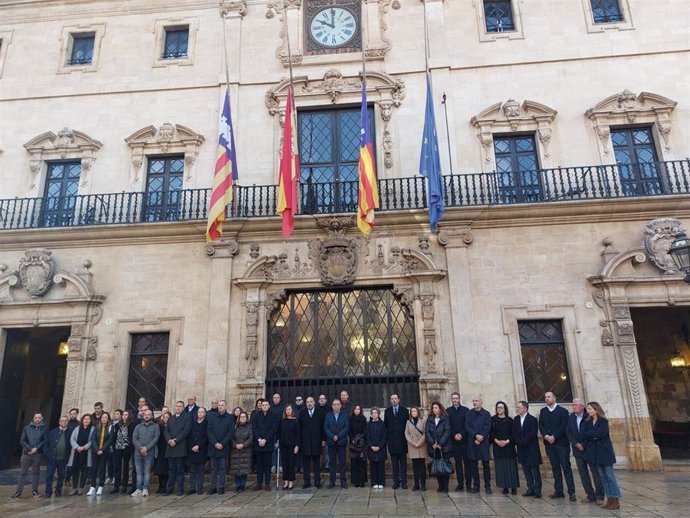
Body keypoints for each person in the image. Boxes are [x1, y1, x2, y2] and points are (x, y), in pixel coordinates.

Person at [582, 402, 621, 510]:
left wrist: (592, 435)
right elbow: (584, 434)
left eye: (590, 409)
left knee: (609, 476)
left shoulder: (603, 421)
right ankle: (609, 499)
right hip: (595, 453)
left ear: (596, 409)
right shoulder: (587, 422)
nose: (588, 411)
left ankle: (615, 499)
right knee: (602, 477)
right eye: (587, 409)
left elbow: (601, 433)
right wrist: (593, 435)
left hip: (605, 452)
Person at [539, 391, 576, 501]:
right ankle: (558, 491)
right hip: (549, 444)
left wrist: (554, 436)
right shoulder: (543, 411)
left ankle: (571, 492)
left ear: (554, 398)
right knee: (555, 467)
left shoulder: (563, 411)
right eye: (545, 397)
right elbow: (541, 425)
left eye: (549, 397)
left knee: (566, 467)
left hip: (561, 444)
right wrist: (546, 435)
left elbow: (564, 426)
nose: (547, 399)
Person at [567, 398, 604, 504]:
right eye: (573, 405)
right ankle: (590, 495)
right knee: (583, 473)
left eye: (576, 405)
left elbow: (591, 431)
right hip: (577, 449)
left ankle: (599, 496)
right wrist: (576, 444)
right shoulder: (571, 417)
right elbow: (568, 432)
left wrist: (583, 444)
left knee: (595, 472)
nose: (574, 407)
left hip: (589, 448)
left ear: (582, 406)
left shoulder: (588, 417)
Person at [11, 412, 47, 499]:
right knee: (23, 472)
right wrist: (30, 448)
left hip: (37, 454)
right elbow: (22, 440)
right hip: (27, 453)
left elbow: (44, 440)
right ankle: (18, 492)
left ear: (41, 419)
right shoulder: (27, 428)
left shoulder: (44, 429)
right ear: (33, 418)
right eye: (35, 417)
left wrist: (36, 448)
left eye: (39, 417)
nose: (37, 419)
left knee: (36, 472)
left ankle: (35, 491)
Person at [513, 401, 542, 498]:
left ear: (525, 408)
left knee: (534, 469)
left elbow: (532, 433)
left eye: (519, 407)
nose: (517, 409)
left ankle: (538, 490)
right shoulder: (516, 419)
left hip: (531, 448)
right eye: (517, 407)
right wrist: (518, 441)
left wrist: (523, 441)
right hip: (521, 448)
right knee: (526, 469)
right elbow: (515, 432)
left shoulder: (532, 419)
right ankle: (530, 488)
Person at [466, 395, 492, 494]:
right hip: (472, 442)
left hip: (483, 442)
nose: (475, 403)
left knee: (486, 465)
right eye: (473, 401)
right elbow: (467, 426)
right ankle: (476, 486)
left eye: (476, 401)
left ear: (481, 402)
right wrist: (475, 435)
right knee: (473, 465)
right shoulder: (469, 413)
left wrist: (481, 436)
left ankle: (487, 486)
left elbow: (487, 426)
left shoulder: (486, 414)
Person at [491, 401, 519, 495]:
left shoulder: (510, 420)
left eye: (501, 407)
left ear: (505, 409)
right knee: (501, 467)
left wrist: (507, 441)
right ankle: (505, 487)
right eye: (498, 407)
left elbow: (514, 433)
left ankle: (513, 487)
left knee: (511, 467)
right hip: (498, 447)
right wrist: (497, 441)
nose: (499, 409)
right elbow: (491, 433)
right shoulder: (493, 420)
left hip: (509, 447)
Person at [297, 396, 325, 489]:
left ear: (314, 402)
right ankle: (307, 481)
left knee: (317, 464)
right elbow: (299, 429)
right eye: (308, 402)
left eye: (311, 401)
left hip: (317, 442)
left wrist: (323, 439)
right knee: (306, 465)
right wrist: (299, 443)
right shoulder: (302, 413)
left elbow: (322, 427)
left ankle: (317, 481)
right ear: (306, 403)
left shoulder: (320, 412)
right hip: (305, 443)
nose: (309, 403)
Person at [165, 401, 191, 496]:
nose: (178, 408)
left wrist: (175, 440)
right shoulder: (171, 418)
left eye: (180, 406)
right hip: (170, 448)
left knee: (180, 470)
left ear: (183, 408)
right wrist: (169, 440)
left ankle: (180, 489)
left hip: (180, 448)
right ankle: (169, 489)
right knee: (171, 470)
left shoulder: (187, 418)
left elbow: (186, 431)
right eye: (177, 406)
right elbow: (166, 431)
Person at [207, 400, 234, 494]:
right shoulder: (212, 416)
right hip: (213, 446)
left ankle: (222, 487)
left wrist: (222, 443)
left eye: (222, 405)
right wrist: (215, 443)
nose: (220, 407)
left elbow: (230, 432)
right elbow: (209, 431)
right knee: (213, 468)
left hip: (224, 446)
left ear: (226, 406)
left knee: (222, 468)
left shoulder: (230, 418)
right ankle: (213, 487)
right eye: (219, 405)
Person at [132, 408, 160, 497]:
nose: (147, 416)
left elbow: (156, 438)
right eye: (145, 415)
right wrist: (141, 448)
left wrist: (146, 448)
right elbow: (134, 438)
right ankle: (138, 488)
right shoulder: (138, 427)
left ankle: (145, 488)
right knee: (139, 471)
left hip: (149, 453)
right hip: (138, 452)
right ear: (143, 416)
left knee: (147, 471)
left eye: (149, 414)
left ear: (151, 416)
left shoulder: (155, 426)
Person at [425, 402, 452, 493]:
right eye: (433, 408)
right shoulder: (430, 419)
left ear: (440, 409)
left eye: (436, 408)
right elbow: (427, 432)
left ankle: (446, 487)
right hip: (434, 448)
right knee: (437, 466)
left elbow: (447, 431)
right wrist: (432, 443)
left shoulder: (445, 419)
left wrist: (441, 443)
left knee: (444, 466)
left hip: (444, 447)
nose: (434, 409)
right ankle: (440, 486)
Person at [384, 394, 409, 489]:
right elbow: (386, 426)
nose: (394, 400)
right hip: (392, 441)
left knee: (403, 463)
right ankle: (396, 481)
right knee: (394, 464)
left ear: (398, 400)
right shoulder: (387, 411)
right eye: (392, 399)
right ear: (390, 400)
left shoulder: (404, 411)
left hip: (402, 440)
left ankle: (404, 481)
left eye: (395, 399)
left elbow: (407, 425)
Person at [447, 392, 471, 492]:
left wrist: (461, 434)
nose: (455, 400)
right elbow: (448, 425)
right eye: (453, 398)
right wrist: (454, 435)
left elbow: (468, 424)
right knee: (458, 463)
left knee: (467, 463)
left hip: (465, 441)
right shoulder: (448, 411)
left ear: (459, 399)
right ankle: (460, 484)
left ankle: (469, 484)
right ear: (451, 400)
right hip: (455, 442)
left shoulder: (466, 410)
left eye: (456, 398)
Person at [66, 414, 95, 496]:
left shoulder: (93, 429)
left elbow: (92, 440)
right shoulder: (77, 428)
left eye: (88, 419)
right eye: (85, 419)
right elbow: (72, 439)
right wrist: (77, 447)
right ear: (82, 420)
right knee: (75, 470)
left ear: (90, 420)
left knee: (84, 471)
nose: (86, 420)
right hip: (76, 452)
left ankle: (81, 488)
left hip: (86, 452)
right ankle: (75, 488)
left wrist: (85, 447)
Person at [252, 399, 278, 491]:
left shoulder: (273, 416)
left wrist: (265, 439)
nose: (264, 406)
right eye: (263, 405)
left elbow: (273, 428)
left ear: (269, 406)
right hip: (258, 443)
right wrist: (259, 439)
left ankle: (267, 483)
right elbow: (254, 428)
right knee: (259, 465)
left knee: (267, 465)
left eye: (266, 405)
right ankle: (259, 483)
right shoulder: (256, 415)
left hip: (268, 443)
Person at [43, 416, 71, 498]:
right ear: (59, 422)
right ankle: (48, 492)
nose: (64, 422)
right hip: (52, 458)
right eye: (62, 421)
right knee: (49, 476)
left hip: (63, 458)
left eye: (66, 420)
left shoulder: (70, 432)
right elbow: (46, 442)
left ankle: (58, 491)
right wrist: (46, 452)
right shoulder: (53, 432)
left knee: (61, 476)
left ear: (67, 422)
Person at [324, 398, 349, 489]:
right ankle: (332, 481)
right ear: (332, 406)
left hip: (341, 442)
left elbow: (346, 427)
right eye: (334, 404)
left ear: (340, 406)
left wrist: (338, 436)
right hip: (331, 443)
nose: (336, 406)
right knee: (332, 463)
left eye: (337, 404)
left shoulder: (344, 415)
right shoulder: (328, 415)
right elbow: (326, 428)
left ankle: (343, 481)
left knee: (342, 463)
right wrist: (332, 436)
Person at [87, 411, 113, 496]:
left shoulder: (110, 427)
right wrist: (97, 449)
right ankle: (93, 486)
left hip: (104, 451)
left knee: (102, 469)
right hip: (95, 451)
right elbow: (93, 439)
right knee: (94, 469)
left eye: (105, 417)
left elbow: (110, 440)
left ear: (108, 419)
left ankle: (101, 486)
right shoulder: (96, 427)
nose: (104, 419)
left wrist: (102, 449)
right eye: (102, 417)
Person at [111, 410, 135, 495]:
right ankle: (116, 486)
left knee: (125, 467)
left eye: (126, 415)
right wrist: (113, 445)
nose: (125, 416)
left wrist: (127, 444)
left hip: (127, 448)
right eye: (123, 415)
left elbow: (131, 436)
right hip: (118, 447)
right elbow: (114, 436)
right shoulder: (117, 425)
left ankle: (124, 485)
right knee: (117, 467)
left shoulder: (131, 425)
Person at [187, 406, 208, 495]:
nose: (200, 414)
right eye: (199, 412)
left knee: (200, 470)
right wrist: (192, 446)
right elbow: (189, 435)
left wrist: (198, 446)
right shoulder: (193, 423)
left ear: (205, 414)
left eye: (202, 412)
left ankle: (200, 488)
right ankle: (192, 488)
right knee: (193, 470)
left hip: (201, 450)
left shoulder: (207, 424)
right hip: (192, 450)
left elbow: (206, 437)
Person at [230, 411, 253, 493]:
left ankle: (242, 485)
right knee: (236, 469)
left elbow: (251, 437)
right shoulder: (235, 427)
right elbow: (231, 437)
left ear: (246, 418)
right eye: (241, 417)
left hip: (245, 450)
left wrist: (243, 445)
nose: (242, 418)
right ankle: (237, 486)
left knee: (244, 469)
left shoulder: (249, 427)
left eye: (244, 417)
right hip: (235, 450)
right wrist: (235, 445)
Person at [405, 406, 427, 491]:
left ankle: (423, 484)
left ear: (418, 412)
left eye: (414, 411)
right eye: (412, 411)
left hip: (421, 445)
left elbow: (425, 433)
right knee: (415, 466)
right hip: (413, 446)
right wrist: (412, 442)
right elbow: (406, 433)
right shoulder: (408, 422)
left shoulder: (423, 420)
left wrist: (419, 443)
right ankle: (416, 484)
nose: (413, 413)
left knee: (422, 466)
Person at [279, 404, 300, 490]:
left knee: (291, 464)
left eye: (290, 409)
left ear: (292, 411)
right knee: (284, 464)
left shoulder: (295, 421)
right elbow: (280, 433)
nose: (288, 411)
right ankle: (286, 481)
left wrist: (297, 445)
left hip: (292, 445)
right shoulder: (283, 421)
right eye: (287, 409)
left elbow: (298, 434)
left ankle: (291, 481)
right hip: (284, 445)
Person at [366, 407, 386, 489]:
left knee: (381, 467)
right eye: (373, 413)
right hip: (372, 448)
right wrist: (371, 446)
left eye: (376, 413)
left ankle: (381, 482)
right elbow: (367, 436)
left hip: (380, 449)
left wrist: (379, 446)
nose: (374, 414)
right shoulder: (369, 424)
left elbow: (384, 436)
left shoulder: (382, 424)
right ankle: (374, 482)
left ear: (378, 414)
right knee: (373, 467)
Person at [349, 404, 367, 488]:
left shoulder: (363, 419)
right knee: (354, 462)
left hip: (361, 444)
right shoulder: (350, 419)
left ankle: (362, 481)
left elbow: (365, 431)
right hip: (353, 444)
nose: (357, 410)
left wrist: (359, 439)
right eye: (355, 409)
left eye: (358, 409)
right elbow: (349, 431)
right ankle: (356, 481)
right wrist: (353, 439)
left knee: (361, 462)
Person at [153, 411, 170, 494]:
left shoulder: (171, 426)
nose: (166, 419)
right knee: (160, 469)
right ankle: (160, 486)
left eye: (167, 417)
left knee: (166, 469)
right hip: (160, 449)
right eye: (164, 417)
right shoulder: (159, 426)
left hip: (168, 449)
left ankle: (166, 485)